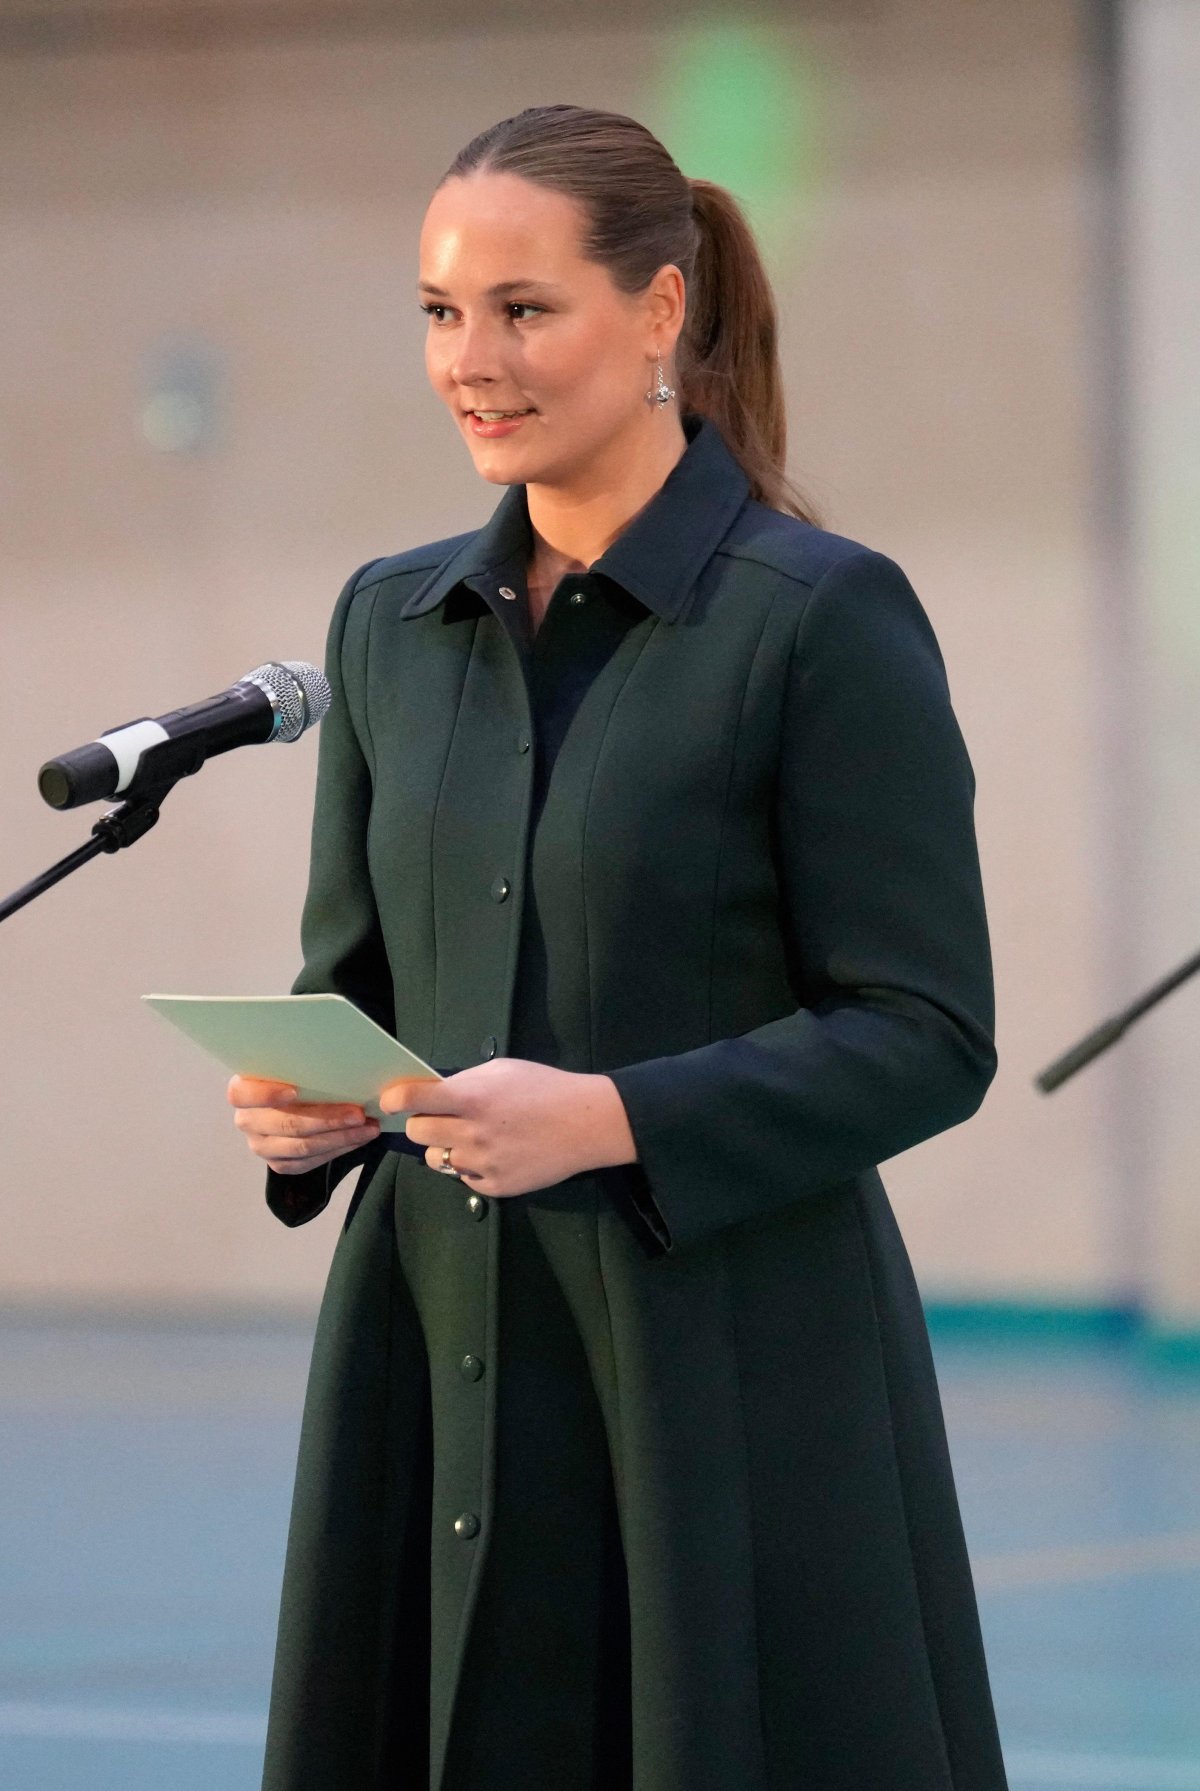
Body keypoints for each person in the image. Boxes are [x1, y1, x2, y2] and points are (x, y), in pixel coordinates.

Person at [229, 104, 1008, 1791]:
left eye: (524, 309)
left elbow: (928, 1027)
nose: (471, 361)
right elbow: (352, 986)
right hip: (438, 1334)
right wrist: (309, 1106)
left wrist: (615, 1117)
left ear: (658, 313)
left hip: (721, 1368)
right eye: (442, 313)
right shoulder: (389, 622)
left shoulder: (817, 619)